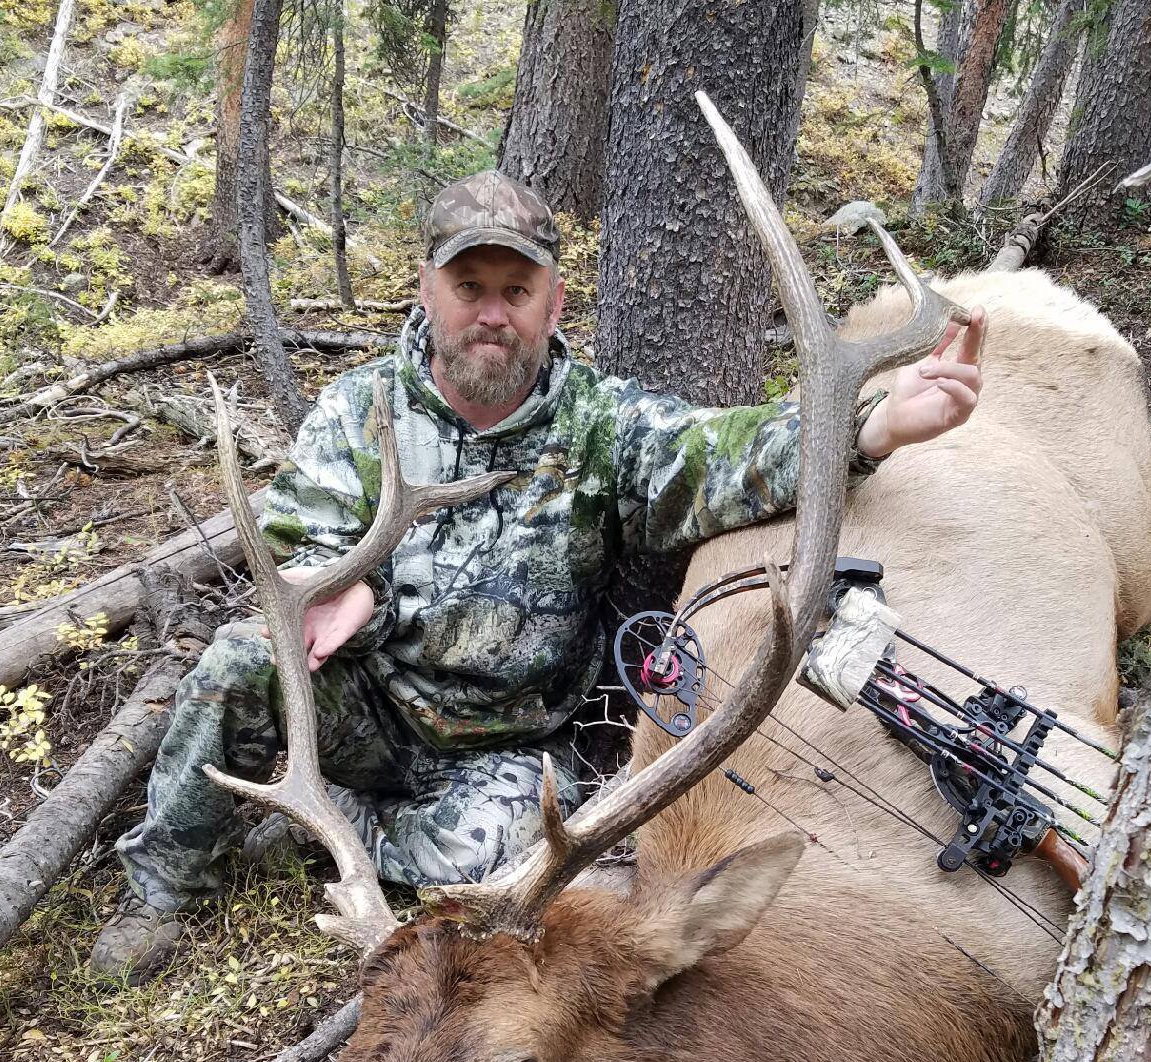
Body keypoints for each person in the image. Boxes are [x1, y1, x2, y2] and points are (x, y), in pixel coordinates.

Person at [90, 170, 984, 980]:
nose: (491, 312)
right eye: (468, 287)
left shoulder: (602, 423)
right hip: (368, 704)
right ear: (427, 291)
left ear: (552, 305)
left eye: (516, 291)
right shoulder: (355, 409)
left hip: (508, 751)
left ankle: (326, 829)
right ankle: (166, 882)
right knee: (233, 669)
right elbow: (294, 540)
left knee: (517, 852)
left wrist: (871, 425)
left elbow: (725, 456)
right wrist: (341, 583)